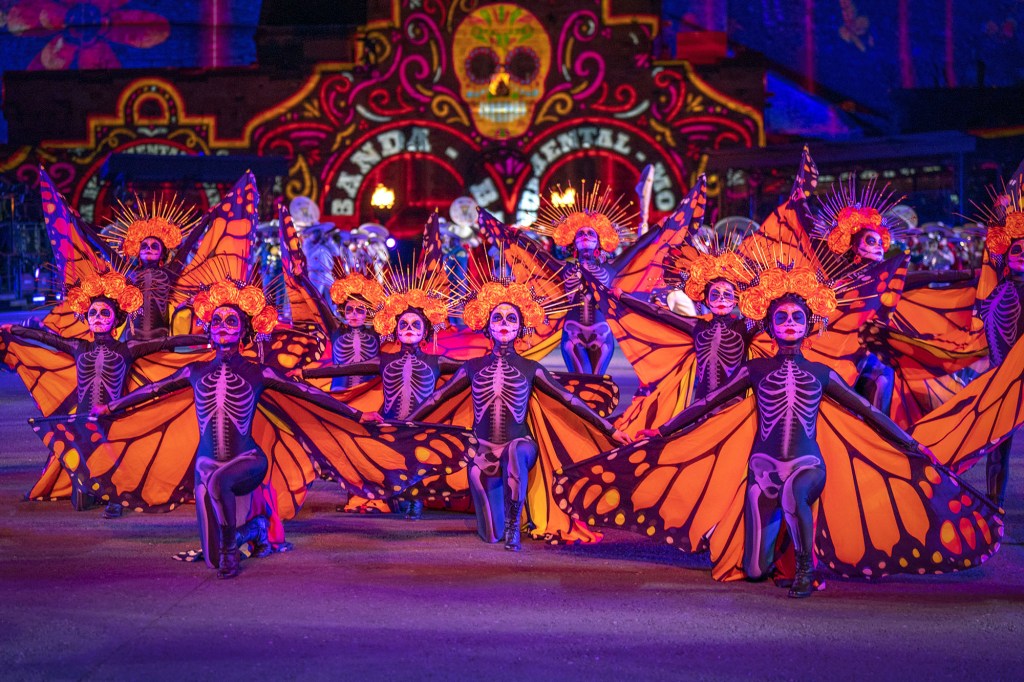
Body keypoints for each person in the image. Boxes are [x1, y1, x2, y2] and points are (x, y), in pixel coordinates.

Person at [554, 256, 1001, 597]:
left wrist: (915, 447)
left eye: (797, 318)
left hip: (808, 464)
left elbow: (872, 414)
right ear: (770, 325)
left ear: (809, 328)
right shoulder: (756, 371)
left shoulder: (823, 376)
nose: (789, 324)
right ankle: (776, 560)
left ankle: (806, 569)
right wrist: (663, 430)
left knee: (794, 494)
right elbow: (708, 401)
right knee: (752, 569)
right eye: (782, 318)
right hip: (762, 466)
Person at [408, 264, 630, 550]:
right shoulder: (473, 367)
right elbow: (437, 399)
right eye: (497, 317)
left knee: (514, 452)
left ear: (520, 326)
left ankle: (515, 526)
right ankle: (503, 525)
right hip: (482, 450)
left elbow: (569, 399)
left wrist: (611, 430)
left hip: (520, 445)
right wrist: (405, 425)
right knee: (490, 534)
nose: (503, 323)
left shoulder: (530, 367)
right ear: (486, 325)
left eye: (510, 318)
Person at [2, 269, 206, 516]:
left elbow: (166, 343)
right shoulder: (78, 347)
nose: (98, 318)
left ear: (115, 318)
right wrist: (14, 330)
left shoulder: (127, 349)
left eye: (104, 313)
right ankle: (95, 490)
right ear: (86, 319)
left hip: (113, 416)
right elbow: (46, 338)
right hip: (83, 418)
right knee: (81, 502)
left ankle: (117, 498)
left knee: (115, 458)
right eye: (93, 314)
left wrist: (207, 340)